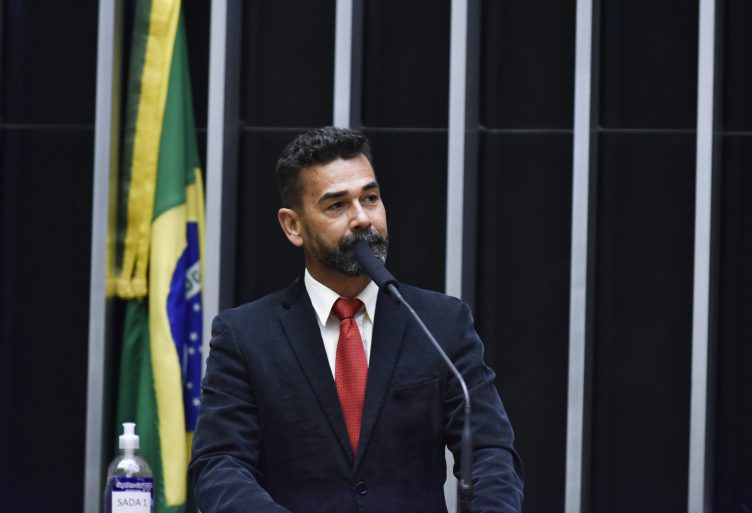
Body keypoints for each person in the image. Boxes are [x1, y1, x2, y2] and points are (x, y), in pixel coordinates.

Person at [189, 127, 524, 513]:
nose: (363, 219)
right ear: (293, 225)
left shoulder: (440, 323)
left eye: (371, 198)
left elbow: (490, 451)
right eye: (337, 206)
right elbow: (220, 465)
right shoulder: (245, 335)